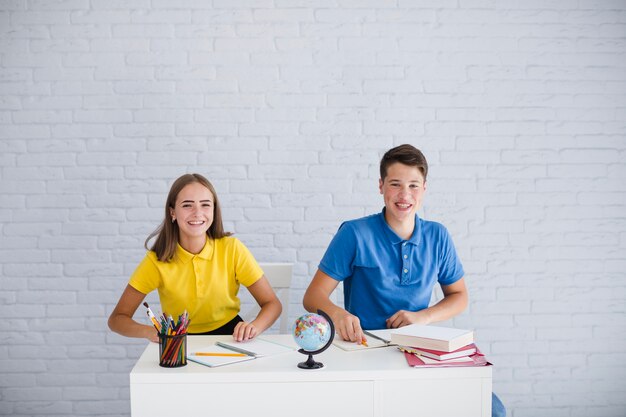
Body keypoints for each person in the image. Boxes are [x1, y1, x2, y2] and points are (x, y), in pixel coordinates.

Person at [303, 144, 506, 417]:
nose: (404, 195)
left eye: (413, 185)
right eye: (395, 184)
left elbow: (459, 296)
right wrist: (338, 315)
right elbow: (313, 297)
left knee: (493, 409)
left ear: (424, 189)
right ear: (381, 186)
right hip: (365, 352)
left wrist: (422, 317)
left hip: (419, 350)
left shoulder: (438, 236)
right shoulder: (354, 233)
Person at [109, 173, 281, 343]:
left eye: (205, 205)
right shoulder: (156, 260)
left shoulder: (233, 249)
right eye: (187, 205)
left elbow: (272, 304)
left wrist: (254, 327)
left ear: (214, 210)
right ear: (172, 213)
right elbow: (117, 319)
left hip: (231, 339)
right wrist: (148, 331)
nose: (197, 213)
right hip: (177, 341)